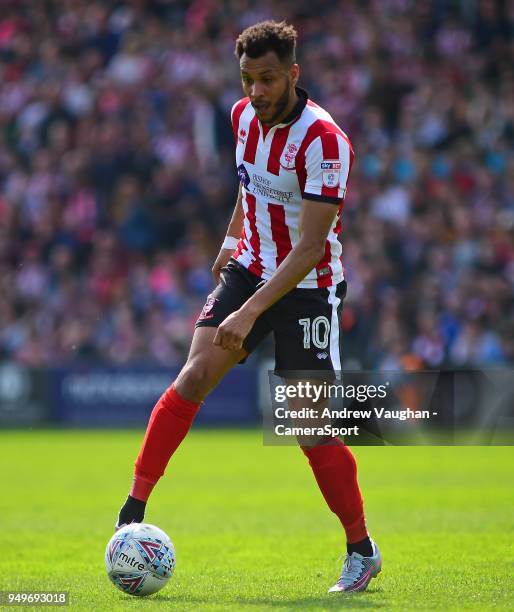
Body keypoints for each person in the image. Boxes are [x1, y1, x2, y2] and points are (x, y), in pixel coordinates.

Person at [116, 20, 381, 594]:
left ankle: (362, 550)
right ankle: (131, 512)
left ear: (293, 73)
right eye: (247, 79)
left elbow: (311, 246)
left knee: (309, 427)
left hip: (308, 286)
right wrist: (232, 238)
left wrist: (248, 313)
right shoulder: (241, 118)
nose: (256, 91)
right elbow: (250, 186)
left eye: (266, 79)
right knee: (194, 375)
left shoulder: (325, 140)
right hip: (250, 267)